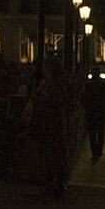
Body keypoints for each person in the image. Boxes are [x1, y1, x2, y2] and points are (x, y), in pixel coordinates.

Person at [31, 55, 78, 196]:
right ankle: (53, 181)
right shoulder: (50, 81)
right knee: (52, 152)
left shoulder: (55, 83)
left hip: (53, 121)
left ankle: (56, 182)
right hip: (49, 120)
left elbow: (59, 100)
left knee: (55, 151)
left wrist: (43, 97)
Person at [81, 72, 105, 162]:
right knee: (101, 132)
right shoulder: (104, 84)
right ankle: (99, 150)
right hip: (101, 110)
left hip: (90, 111)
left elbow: (82, 97)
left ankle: (94, 152)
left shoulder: (87, 85)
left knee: (92, 133)